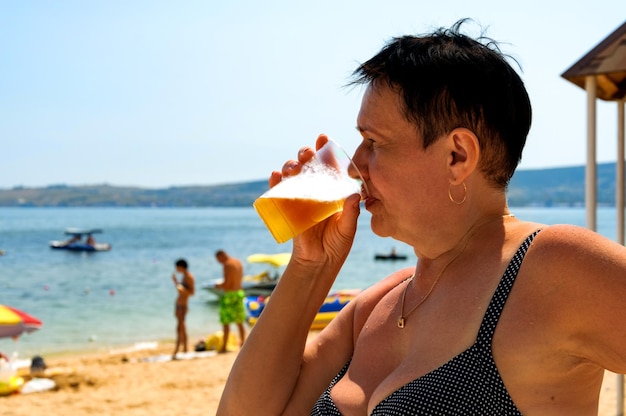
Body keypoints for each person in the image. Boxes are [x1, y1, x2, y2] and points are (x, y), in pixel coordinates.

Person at [218, 19, 626, 415]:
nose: (356, 165)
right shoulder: (375, 307)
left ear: (457, 156)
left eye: (374, 142)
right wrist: (311, 266)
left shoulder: (552, 267)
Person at [213, 250, 246, 353]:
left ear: (222, 255)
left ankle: (224, 347)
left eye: (219, 260)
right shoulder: (238, 262)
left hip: (229, 295)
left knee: (225, 322)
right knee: (239, 321)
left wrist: (218, 286)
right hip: (239, 293)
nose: (219, 262)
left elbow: (227, 284)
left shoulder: (227, 265)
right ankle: (243, 343)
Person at [171, 258, 194, 359]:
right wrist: (177, 283)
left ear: (181, 266)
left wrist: (177, 284)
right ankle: (183, 348)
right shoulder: (185, 277)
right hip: (179, 305)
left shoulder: (189, 277)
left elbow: (191, 292)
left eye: (177, 267)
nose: (176, 269)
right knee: (180, 327)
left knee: (181, 327)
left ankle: (179, 349)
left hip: (182, 305)